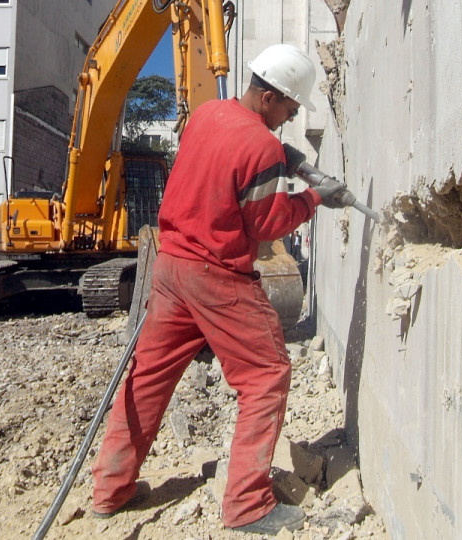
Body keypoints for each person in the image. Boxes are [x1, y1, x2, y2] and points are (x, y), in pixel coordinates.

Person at [90, 44, 350, 535]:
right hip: (217, 276)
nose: (290, 119)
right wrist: (314, 197)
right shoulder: (262, 147)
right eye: (290, 110)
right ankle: (248, 507)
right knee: (266, 374)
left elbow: (225, 158)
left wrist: (283, 158)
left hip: (170, 269)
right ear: (270, 97)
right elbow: (267, 224)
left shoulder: (207, 114)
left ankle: (111, 489)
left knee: (147, 379)